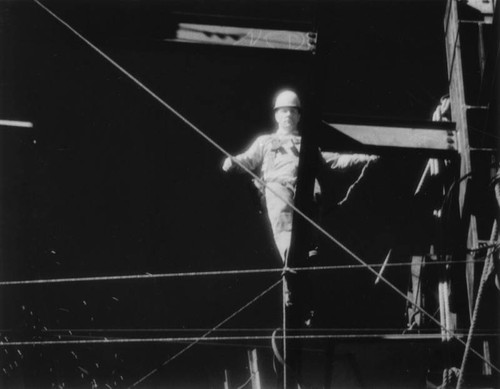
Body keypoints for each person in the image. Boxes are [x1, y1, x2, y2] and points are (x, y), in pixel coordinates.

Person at [222, 89, 377, 264]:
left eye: (293, 111)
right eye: (284, 111)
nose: (288, 114)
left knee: (309, 211)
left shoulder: (307, 144)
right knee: (283, 217)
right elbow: (248, 159)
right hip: (278, 185)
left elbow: (334, 160)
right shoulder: (265, 141)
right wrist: (233, 162)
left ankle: (309, 246)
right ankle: (291, 256)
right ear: (276, 116)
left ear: (298, 116)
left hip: (304, 186)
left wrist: (365, 159)